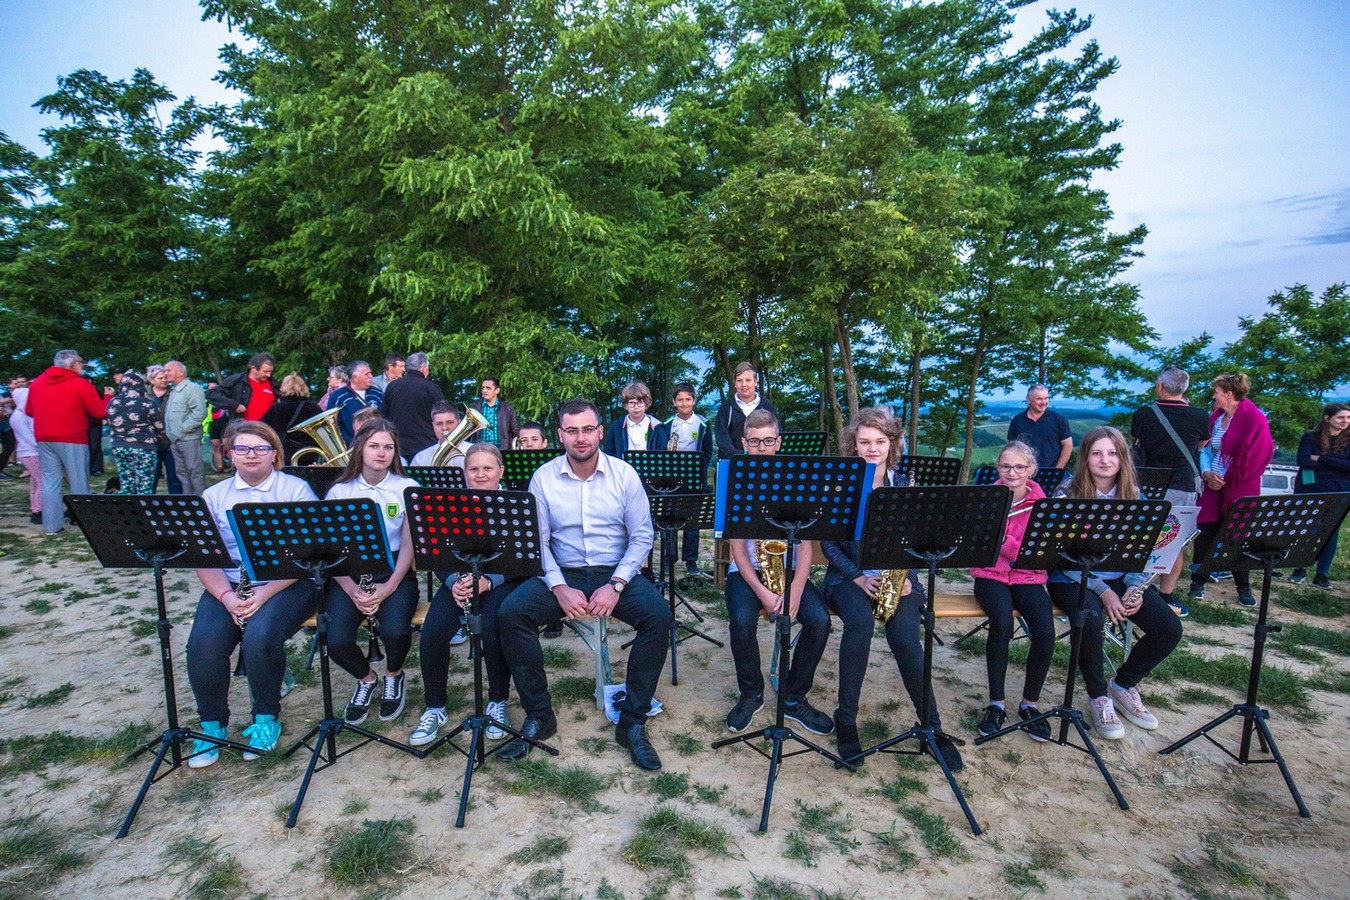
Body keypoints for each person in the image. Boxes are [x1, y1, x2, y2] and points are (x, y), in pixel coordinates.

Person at [496, 399, 671, 770]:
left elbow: (641, 537)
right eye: (571, 430)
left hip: (616, 571)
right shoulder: (543, 477)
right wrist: (559, 587)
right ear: (560, 435)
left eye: (587, 429)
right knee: (511, 613)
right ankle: (540, 716)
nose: (580, 438)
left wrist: (617, 584)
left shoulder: (625, 474)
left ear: (600, 432)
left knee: (659, 616)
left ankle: (632, 723)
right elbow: (537, 541)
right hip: (564, 571)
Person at [821, 407, 963, 770]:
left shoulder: (905, 487)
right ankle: (847, 720)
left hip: (899, 580)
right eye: (864, 441)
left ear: (892, 444)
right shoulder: (841, 484)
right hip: (848, 579)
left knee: (906, 641)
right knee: (860, 627)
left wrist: (909, 581)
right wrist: (859, 576)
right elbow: (829, 546)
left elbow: (920, 543)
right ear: (853, 444)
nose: (872, 448)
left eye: (880, 442)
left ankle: (932, 724)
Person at [184, 421, 318, 766]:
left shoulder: (295, 491)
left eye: (260, 448)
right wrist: (227, 598)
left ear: (275, 454)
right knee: (204, 644)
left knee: (260, 637)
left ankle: (265, 719)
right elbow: (204, 558)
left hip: (287, 581)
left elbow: (306, 557)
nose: (251, 455)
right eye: (242, 448)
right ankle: (212, 727)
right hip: (229, 585)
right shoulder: (214, 497)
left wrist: (262, 595)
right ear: (230, 454)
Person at [1047, 426, 1183, 739]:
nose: (1104, 460)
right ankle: (1098, 695)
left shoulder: (1135, 496)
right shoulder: (1067, 494)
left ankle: (1122, 685)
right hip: (1072, 578)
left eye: (1112, 453)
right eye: (1096, 453)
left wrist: (1136, 586)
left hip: (1122, 577)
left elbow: (1142, 552)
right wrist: (1103, 590)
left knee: (1169, 629)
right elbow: (1058, 556)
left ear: (1122, 458)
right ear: (1085, 458)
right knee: (1090, 619)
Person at [724, 409, 835, 738]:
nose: (761, 447)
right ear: (744, 443)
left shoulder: (798, 480)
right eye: (754, 442)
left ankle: (794, 696)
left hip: (789, 569)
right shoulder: (735, 480)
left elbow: (806, 544)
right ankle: (751, 693)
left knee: (819, 621)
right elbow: (737, 549)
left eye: (768, 441)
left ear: (778, 441)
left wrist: (796, 590)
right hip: (748, 571)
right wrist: (764, 593)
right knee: (742, 620)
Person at [411, 442, 523, 745]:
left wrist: (489, 581)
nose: (481, 475)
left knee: (492, 628)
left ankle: (497, 701)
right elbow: (435, 555)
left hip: (500, 583)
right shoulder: (450, 506)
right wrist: (452, 583)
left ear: (501, 470)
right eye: (474, 469)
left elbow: (525, 560)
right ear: (464, 473)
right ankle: (435, 707)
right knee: (433, 631)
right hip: (460, 583)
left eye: (488, 468)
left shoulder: (515, 504)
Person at [325, 419, 420, 725]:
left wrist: (389, 587)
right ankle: (366, 679)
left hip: (393, 570)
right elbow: (333, 550)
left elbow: (408, 546)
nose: (381, 453)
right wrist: (352, 589)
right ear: (360, 449)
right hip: (350, 573)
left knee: (396, 631)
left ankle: (394, 674)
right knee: (336, 640)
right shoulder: (340, 491)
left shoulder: (407, 488)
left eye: (388, 447)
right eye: (374, 446)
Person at [969, 441, 1055, 742]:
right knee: (1002, 623)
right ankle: (996, 703)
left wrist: (1002, 541)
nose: (1012, 472)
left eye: (1020, 467)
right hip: (989, 575)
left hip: (1028, 577)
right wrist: (1010, 547)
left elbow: (1033, 552)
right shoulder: (988, 498)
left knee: (1045, 631)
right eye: (1006, 466)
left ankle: (1030, 705)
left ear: (1030, 469)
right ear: (998, 468)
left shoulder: (1042, 503)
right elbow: (979, 545)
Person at [1186, 374, 1274, 607]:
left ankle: (1242, 586)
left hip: (1239, 486)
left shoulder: (1255, 420)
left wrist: (1227, 479)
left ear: (1229, 394)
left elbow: (1258, 456)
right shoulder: (1216, 418)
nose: (1214, 396)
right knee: (1205, 532)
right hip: (1211, 484)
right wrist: (1207, 473)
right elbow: (1205, 450)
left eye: (1217, 391)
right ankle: (1198, 580)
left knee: (1237, 536)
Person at [1130, 365, 1210, 614]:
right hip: (1183, 484)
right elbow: (1202, 444)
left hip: (1149, 483)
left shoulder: (1144, 414)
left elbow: (1137, 443)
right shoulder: (1200, 416)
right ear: (1184, 389)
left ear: (1160, 386)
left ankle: (1135, 590)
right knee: (1176, 543)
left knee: (1141, 539)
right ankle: (1166, 595)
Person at [26, 350, 109, 534]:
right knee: (79, 482)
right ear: (73, 365)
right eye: (81, 362)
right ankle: (86, 524)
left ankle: (52, 526)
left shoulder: (37, 383)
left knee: (50, 482)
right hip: (73, 437)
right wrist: (108, 398)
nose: (82, 366)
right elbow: (99, 412)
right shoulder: (80, 384)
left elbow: (30, 410)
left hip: (44, 437)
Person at [1289, 403, 1350, 588]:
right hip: (1310, 490)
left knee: (1330, 533)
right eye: (1341, 417)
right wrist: (1337, 463)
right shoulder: (1310, 437)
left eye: (1348, 418)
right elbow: (1303, 461)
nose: (1345, 421)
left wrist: (1322, 458)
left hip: (1339, 493)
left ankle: (1321, 574)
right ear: (1327, 418)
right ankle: (1299, 569)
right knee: (1308, 530)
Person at [663, 382, 714, 575]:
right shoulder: (667, 424)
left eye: (688, 399)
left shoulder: (702, 423)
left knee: (691, 521)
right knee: (670, 519)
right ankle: (669, 559)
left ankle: (691, 560)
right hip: (672, 479)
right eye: (680, 400)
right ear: (674, 402)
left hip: (694, 478)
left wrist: (699, 469)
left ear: (694, 400)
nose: (684, 404)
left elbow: (707, 450)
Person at [104, 371, 166, 495]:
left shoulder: (112, 403)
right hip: (144, 447)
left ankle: (128, 511)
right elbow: (159, 426)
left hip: (119, 446)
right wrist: (162, 439)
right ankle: (144, 510)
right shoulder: (146, 403)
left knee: (126, 482)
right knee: (145, 483)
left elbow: (110, 423)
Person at [381, 351, 445, 457]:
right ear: (424, 368)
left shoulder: (392, 387)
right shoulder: (432, 388)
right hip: (426, 446)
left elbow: (383, 415)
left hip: (398, 445)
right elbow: (442, 416)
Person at [715, 361, 777, 459]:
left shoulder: (767, 406)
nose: (744, 384)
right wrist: (737, 456)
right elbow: (722, 437)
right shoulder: (726, 407)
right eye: (740, 381)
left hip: (762, 460)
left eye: (748, 380)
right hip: (731, 461)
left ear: (755, 382)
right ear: (735, 383)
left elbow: (776, 433)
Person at [164, 360, 208, 495]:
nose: (166, 374)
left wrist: (184, 428)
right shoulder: (174, 391)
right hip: (175, 439)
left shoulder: (192, 388)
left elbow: (200, 412)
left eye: (169, 370)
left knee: (194, 471)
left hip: (189, 438)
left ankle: (202, 501)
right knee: (182, 472)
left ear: (181, 372)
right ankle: (188, 501)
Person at [261, 374, 324, 464]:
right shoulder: (313, 407)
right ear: (303, 387)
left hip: (284, 452)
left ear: (283, 388)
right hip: (309, 453)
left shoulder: (277, 407)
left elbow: (264, 427)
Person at [1007, 385, 1073, 470]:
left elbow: (1068, 445)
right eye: (1039, 399)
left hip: (1050, 473)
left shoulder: (1058, 419)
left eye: (1046, 398)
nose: (1044, 402)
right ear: (1029, 399)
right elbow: (1011, 447)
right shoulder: (1017, 421)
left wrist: (1058, 469)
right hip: (1024, 473)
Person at [206, 352, 279, 425]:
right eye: (265, 371)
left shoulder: (274, 384)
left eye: (270, 372)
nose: (268, 375)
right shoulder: (236, 381)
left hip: (267, 429)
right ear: (253, 368)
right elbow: (212, 395)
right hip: (242, 428)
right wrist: (234, 405)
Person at [326, 360, 385, 445]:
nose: (371, 376)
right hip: (350, 448)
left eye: (370, 373)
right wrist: (350, 442)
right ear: (355, 377)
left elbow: (386, 418)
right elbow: (333, 425)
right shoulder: (337, 396)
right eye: (366, 374)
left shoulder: (378, 394)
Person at [603, 381, 665, 456]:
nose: (636, 407)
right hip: (623, 467)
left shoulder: (657, 427)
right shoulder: (617, 426)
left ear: (646, 404)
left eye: (640, 402)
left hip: (650, 467)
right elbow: (608, 453)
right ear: (626, 405)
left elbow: (663, 453)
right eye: (632, 403)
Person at [146, 365, 182, 495]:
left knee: (174, 476)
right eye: (160, 378)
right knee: (152, 477)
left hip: (170, 440)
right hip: (151, 441)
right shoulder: (144, 394)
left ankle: (177, 503)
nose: (164, 380)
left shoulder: (174, 393)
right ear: (151, 380)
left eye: (165, 377)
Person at [9, 385, 42, 523]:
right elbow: (30, 437)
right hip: (30, 452)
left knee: (35, 482)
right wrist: (44, 445)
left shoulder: (24, 414)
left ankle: (35, 508)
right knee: (42, 482)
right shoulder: (18, 417)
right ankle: (39, 510)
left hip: (30, 451)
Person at [409, 402, 468, 466]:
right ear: (433, 426)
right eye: (439, 424)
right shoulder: (421, 458)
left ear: (459, 423)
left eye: (450, 422)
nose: (445, 428)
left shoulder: (475, 452)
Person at [469, 377, 519, 450]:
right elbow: (468, 431)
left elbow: (515, 431)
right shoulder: (474, 407)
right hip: (479, 450)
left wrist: (514, 447)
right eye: (483, 388)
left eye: (488, 388)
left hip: (502, 450)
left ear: (497, 390)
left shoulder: (508, 408)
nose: (484, 390)